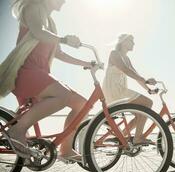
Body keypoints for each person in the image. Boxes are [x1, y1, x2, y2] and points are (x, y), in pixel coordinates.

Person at [0, 0, 92, 161]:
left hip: (40, 75)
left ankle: (66, 149)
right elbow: (38, 32)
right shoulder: (33, 8)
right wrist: (64, 39)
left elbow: (59, 54)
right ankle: (18, 130)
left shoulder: (51, 24)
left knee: (81, 105)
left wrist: (87, 64)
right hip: (26, 73)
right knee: (62, 95)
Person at [102, 34, 157, 145]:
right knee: (148, 103)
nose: (134, 43)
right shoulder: (114, 54)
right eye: (131, 41)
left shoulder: (126, 58)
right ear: (123, 42)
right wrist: (145, 80)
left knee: (140, 114)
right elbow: (126, 70)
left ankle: (120, 137)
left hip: (120, 90)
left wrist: (148, 89)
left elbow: (136, 75)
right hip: (114, 90)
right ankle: (138, 138)